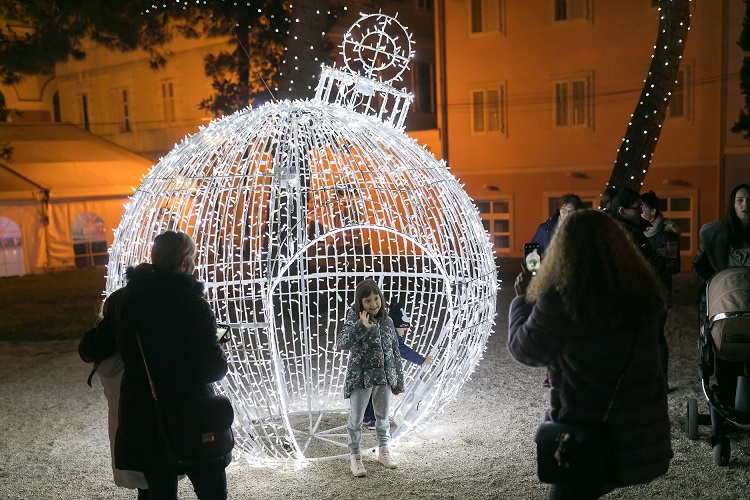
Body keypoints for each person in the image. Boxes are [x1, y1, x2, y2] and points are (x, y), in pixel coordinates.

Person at [508, 209, 672, 500]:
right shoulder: (639, 292)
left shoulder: (564, 298)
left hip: (586, 430)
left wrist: (522, 300)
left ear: (563, 249)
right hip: (635, 433)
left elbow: (526, 350)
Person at [115, 231, 230, 499]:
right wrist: (218, 348)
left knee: (160, 493)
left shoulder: (128, 300)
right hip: (190, 416)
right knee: (211, 490)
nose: (195, 265)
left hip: (145, 416)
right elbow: (212, 368)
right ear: (182, 265)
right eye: (192, 259)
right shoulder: (191, 305)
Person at [79, 265, 152, 500]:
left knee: (145, 482)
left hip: (123, 423)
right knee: (153, 479)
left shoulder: (104, 350)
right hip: (141, 417)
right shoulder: (128, 349)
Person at [338, 279, 404, 477]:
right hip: (361, 378)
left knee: (383, 416)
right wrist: (361, 326)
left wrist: (398, 380)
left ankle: (384, 451)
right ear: (360, 303)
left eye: (376, 299)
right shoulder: (354, 320)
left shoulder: (388, 321)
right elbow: (342, 343)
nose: (373, 304)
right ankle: (355, 457)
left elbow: (394, 351)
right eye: (368, 300)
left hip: (383, 377)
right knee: (356, 418)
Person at [692, 183, 750, 404]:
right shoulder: (717, 234)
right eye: (740, 200)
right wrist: (714, 284)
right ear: (733, 205)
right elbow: (698, 265)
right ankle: (726, 404)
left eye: (749, 200)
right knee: (726, 355)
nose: (746, 205)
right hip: (725, 306)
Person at [362, 300, 432, 430]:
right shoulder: (392, 333)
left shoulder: (383, 329)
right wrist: (422, 360)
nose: (404, 332)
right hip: (381, 369)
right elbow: (402, 349)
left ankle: (366, 416)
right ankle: (375, 421)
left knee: (371, 392)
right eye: (404, 329)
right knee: (379, 395)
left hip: (370, 366)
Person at [640, 190, 681, 387]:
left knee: (656, 334)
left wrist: (656, 259)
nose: (639, 212)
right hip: (639, 291)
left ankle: (662, 381)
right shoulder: (637, 233)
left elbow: (675, 266)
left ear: (653, 211)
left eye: (643, 209)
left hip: (659, 293)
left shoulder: (667, 234)